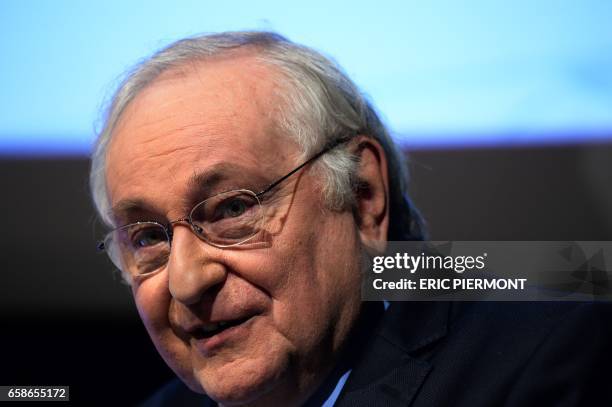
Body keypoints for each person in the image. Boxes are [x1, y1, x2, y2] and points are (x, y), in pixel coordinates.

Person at [91, 31, 612, 406]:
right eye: (148, 237)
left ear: (362, 196)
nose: (185, 281)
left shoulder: (548, 356)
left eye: (233, 207)